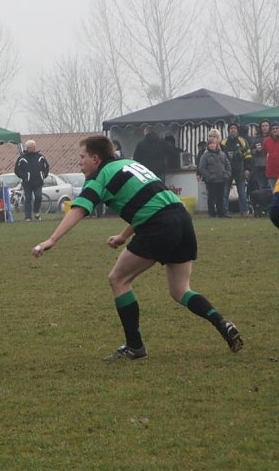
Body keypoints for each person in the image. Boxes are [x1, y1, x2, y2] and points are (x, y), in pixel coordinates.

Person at [32, 135, 243, 360]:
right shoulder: (130, 164)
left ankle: (135, 346)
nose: (79, 162)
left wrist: (52, 239)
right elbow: (148, 201)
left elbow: (79, 209)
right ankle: (221, 322)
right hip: (181, 218)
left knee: (118, 279)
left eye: (82, 157)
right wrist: (123, 235)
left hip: (158, 226)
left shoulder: (99, 177)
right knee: (180, 290)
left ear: (95, 158)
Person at [14, 139, 50, 222]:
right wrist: (25, 177)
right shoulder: (22, 158)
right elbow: (17, 170)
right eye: (32, 147)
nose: (34, 148)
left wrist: (43, 175)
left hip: (38, 182)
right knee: (28, 199)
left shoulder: (40, 157)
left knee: (38, 196)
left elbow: (46, 167)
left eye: (34, 146)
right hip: (27, 183)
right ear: (28, 148)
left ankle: (36, 212)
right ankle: (28, 217)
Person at [220, 123, 252, 215]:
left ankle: (244, 211)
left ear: (237, 130)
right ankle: (224, 211)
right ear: (228, 130)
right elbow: (220, 158)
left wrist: (247, 169)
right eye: (231, 128)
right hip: (227, 172)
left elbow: (248, 156)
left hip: (240, 171)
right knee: (225, 193)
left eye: (234, 128)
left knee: (242, 193)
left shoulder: (243, 141)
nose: (233, 130)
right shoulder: (223, 142)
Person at [199, 139, 231, 218]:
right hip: (211, 181)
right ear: (208, 145)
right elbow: (202, 168)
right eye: (210, 144)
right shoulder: (205, 155)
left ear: (217, 144)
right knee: (211, 198)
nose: (212, 145)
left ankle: (221, 213)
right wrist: (208, 176)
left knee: (221, 197)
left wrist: (227, 174)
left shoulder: (222, 154)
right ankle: (212, 213)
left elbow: (228, 165)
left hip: (221, 179)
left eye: (213, 143)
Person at [251, 120, 270, 189]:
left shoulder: (274, 137)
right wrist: (256, 150)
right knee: (262, 186)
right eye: (263, 126)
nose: (265, 127)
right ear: (260, 127)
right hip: (259, 165)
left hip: (271, 165)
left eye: (266, 126)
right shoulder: (256, 139)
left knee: (272, 186)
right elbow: (251, 151)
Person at [263, 121, 279, 190]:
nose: (275, 130)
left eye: (277, 128)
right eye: (273, 129)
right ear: (271, 130)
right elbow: (265, 153)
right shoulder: (266, 141)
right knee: (274, 194)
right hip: (271, 172)